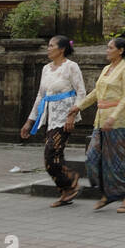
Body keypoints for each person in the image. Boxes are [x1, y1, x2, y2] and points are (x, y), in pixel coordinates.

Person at [66, 37, 125, 213]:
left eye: (110, 48)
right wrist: (78, 106)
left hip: (120, 121)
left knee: (119, 160)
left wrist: (113, 117)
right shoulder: (107, 69)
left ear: (120, 50)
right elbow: (96, 93)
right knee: (92, 157)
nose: (107, 50)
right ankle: (109, 193)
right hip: (101, 120)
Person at [20, 35, 86, 207]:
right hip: (49, 116)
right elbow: (40, 96)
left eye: (51, 46)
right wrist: (30, 121)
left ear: (62, 49)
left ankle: (70, 180)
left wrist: (73, 114)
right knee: (53, 156)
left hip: (65, 116)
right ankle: (66, 190)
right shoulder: (46, 69)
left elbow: (81, 92)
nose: (48, 49)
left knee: (51, 153)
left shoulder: (71, 67)